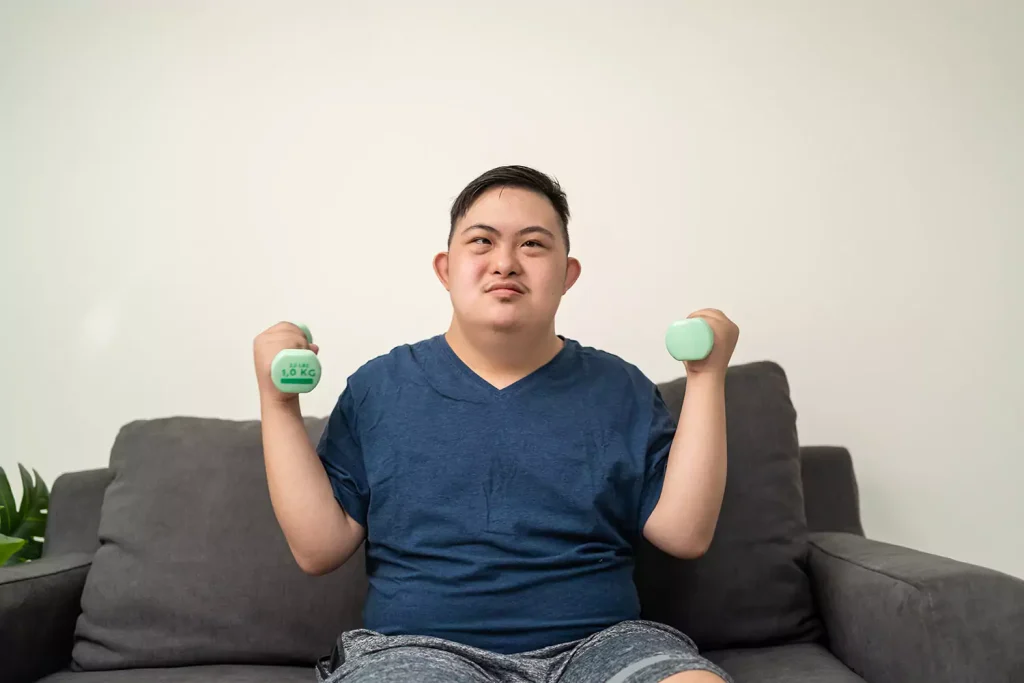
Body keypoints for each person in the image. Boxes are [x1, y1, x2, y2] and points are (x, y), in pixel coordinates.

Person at [253, 165, 739, 683]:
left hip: (601, 645)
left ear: (567, 274)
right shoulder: (379, 387)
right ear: (445, 268)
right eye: (482, 241)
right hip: (421, 653)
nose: (505, 263)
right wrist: (277, 403)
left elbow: (685, 534)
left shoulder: (622, 387)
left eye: (533, 245)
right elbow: (318, 548)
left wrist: (706, 376)